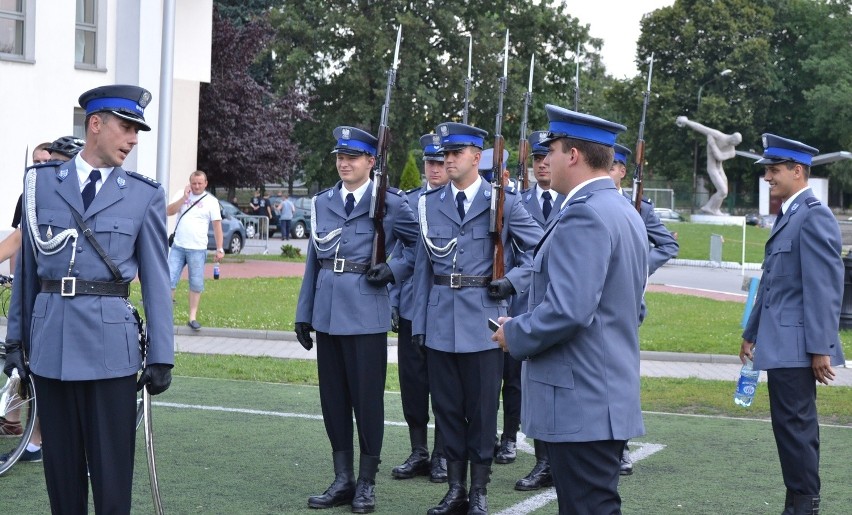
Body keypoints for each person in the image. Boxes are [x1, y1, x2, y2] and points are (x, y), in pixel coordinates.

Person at [3, 84, 173, 513]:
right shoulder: (40, 184)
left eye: (138, 130)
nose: (134, 139)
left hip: (110, 349)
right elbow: (27, 271)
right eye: (127, 127)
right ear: (95, 124)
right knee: (61, 474)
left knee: (112, 472)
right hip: (51, 343)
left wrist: (161, 356)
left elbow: (156, 281)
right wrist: (15, 341)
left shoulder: (143, 194)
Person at [492, 105, 647, 515]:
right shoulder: (619, 210)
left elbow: (569, 310)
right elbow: (629, 305)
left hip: (583, 399)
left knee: (586, 507)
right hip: (600, 395)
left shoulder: (585, 214)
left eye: (552, 151)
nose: (545, 161)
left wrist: (516, 333)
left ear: (573, 156)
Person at [411, 122, 542, 515]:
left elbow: (541, 248)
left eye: (455, 153)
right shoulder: (429, 203)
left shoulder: (504, 201)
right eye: (444, 154)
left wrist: (511, 281)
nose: (447, 160)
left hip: (485, 323)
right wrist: (419, 323)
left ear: (476, 156)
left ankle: (479, 491)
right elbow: (422, 269)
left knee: (483, 411)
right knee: (447, 410)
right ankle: (455, 489)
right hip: (439, 321)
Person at [295, 126, 419, 513]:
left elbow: (418, 247)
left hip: (366, 312)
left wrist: (393, 269)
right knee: (333, 400)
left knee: (367, 401)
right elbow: (315, 258)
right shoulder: (322, 202)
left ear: (371, 161)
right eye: (339, 156)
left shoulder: (391, 203)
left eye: (352, 157)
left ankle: (366, 482)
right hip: (328, 313)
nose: (344, 163)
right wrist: (303, 313)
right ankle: (343, 478)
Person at [740, 134, 844, 515]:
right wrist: (750, 333)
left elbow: (824, 288)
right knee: (788, 429)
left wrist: (821, 348)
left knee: (797, 429)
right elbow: (771, 284)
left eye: (774, 169)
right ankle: (796, 500)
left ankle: (805, 504)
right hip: (780, 343)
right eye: (767, 170)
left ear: (797, 171)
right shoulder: (791, 214)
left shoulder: (814, 215)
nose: (768, 177)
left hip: (798, 346)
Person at [0, 137, 84, 461]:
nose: (41, 167)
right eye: (38, 162)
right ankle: (27, 433)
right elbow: (21, 247)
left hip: (72, 302)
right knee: (34, 368)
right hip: (40, 296)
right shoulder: (31, 193)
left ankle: (34, 435)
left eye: (48, 161)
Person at [609, 142, 679, 475]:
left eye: (612, 167)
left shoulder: (639, 207)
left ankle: (620, 447)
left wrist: (637, 267)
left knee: (621, 378)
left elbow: (668, 244)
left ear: (623, 171)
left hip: (624, 304)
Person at [388, 133, 449, 483]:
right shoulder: (409, 202)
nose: (434, 169)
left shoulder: (458, 204)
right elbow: (400, 256)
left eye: (440, 162)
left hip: (442, 309)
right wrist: (394, 302)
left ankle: (441, 455)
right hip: (412, 307)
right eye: (430, 162)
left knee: (442, 386)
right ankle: (418, 451)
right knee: (412, 384)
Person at [511, 130, 564, 491]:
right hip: (523, 303)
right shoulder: (515, 201)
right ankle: (542, 460)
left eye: (548, 157)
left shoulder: (574, 201)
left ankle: (559, 458)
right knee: (530, 386)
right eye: (536, 159)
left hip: (560, 303)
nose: (542, 164)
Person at [167, 170, 223, 331]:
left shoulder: (211, 201)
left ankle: (192, 317)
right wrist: (184, 198)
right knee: (168, 280)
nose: (196, 186)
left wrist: (220, 248)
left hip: (198, 248)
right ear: (189, 183)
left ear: (205, 184)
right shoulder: (181, 194)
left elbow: (217, 226)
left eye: (200, 183)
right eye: (194, 183)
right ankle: (167, 316)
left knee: (196, 283)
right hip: (178, 246)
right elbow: (168, 211)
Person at [675, 116, 741, 216]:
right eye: (735, 142)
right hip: (712, 168)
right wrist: (687, 121)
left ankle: (713, 209)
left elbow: (719, 157)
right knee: (722, 190)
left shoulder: (732, 150)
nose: (735, 145)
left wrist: (712, 144)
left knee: (724, 193)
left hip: (719, 169)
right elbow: (702, 128)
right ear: (732, 138)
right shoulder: (719, 136)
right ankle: (709, 208)